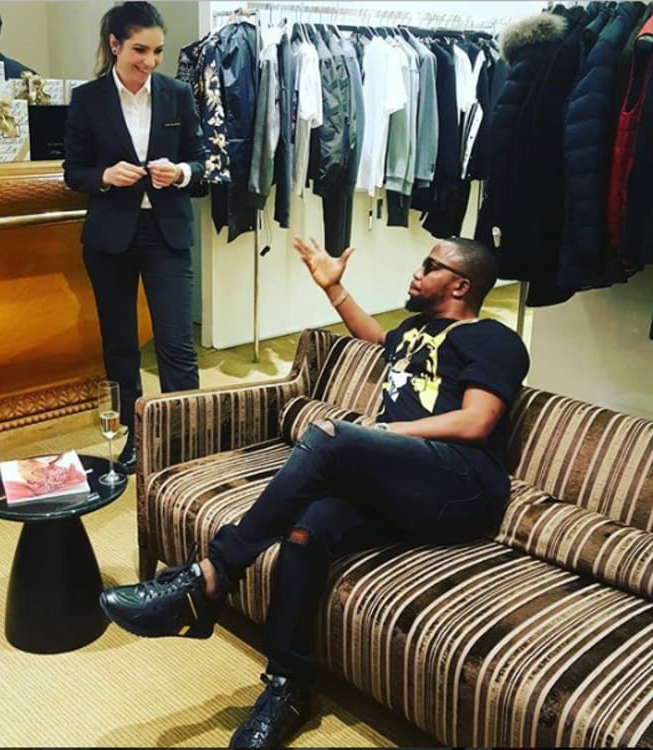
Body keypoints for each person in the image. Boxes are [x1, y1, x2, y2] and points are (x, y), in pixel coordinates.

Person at [99, 235, 531, 747]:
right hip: (403, 488)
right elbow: (375, 336)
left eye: (429, 265)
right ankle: (289, 687)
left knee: (329, 436)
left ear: (461, 285)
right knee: (306, 532)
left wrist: (382, 433)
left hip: (460, 489)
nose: (416, 271)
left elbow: (476, 422)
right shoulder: (416, 331)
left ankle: (210, 575)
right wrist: (333, 288)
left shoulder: (493, 340)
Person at [63, 1, 206, 473]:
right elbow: (73, 171)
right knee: (121, 343)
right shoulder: (88, 99)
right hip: (110, 237)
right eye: (140, 50)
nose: (150, 61)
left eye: (158, 51)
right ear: (115, 45)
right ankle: (136, 435)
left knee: (176, 342)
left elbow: (201, 162)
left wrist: (181, 172)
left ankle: (186, 437)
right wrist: (104, 175)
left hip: (167, 234)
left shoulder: (177, 94)